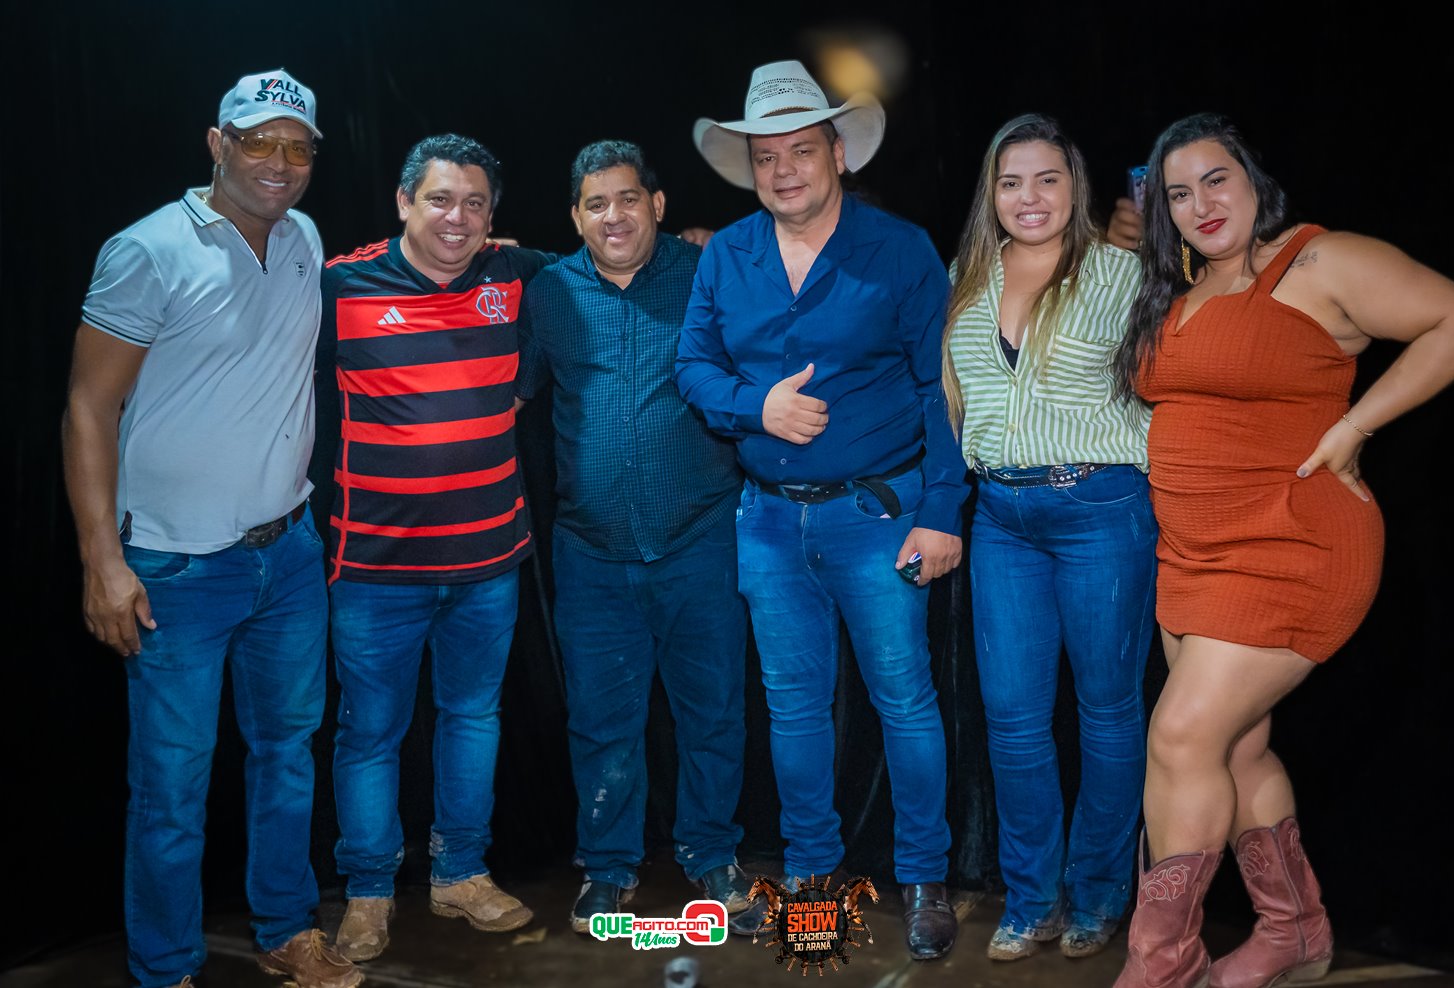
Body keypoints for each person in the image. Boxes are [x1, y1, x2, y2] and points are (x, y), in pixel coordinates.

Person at [1110, 113, 1454, 988]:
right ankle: (1297, 933)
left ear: (1252, 179)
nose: (1201, 203)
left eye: (1215, 179)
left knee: (1179, 738)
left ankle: (1162, 963)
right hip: (1194, 554)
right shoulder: (1178, 287)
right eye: (1178, 192)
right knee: (1235, 751)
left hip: (1294, 546)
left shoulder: (1318, 262)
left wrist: (1355, 428)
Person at [61, 71, 362, 988]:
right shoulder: (148, 250)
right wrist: (102, 562)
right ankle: (164, 970)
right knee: (170, 793)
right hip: (176, 569)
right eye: (258, 141)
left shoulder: (305, 238)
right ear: (217, 143)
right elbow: (86, 408)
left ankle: (285, 929)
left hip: (288, 553)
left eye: (297, 146)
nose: (279, 162)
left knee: (286, 758)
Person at [676, 60, 970, 961]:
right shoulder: (727, 254)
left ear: (837, 153)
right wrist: (752, 408)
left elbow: (941, 389)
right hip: (766, 521)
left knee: (904, 703)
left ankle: (923, 877)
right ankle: (811, 875)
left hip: (878, 517)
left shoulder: (900, 249)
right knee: (794, 708)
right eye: (768, 156)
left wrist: (943, 511)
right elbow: (694, 368)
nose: (784, 170)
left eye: (802, 150)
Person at [513, 139, 767, 936]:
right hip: (590, 552)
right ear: (576, 219)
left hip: (700, 540)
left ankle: (712, 857)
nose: (613, 216)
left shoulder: (705, 276)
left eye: (628, 199)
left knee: (715, 711)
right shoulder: (548, 291)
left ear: (657, 206)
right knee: (602, 720)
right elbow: (511, 391)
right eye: (596, 204)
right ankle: (609, 867)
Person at [316, 134, 551, 962]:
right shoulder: (339, 286)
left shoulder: (515, 278)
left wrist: (688, 240)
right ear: (404, 201)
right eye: (441, 199)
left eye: (476, 204)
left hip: (489, 562)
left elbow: (608, 255)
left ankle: (460, 874)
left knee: (472, 718)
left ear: (494, 216)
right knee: (370, 733)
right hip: (375, 570)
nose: (458, 218)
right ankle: (370, 892)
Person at [942, 114, 1155, 963]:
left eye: (1047, 180)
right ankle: (1033, 897)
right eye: (1010, 181)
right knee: (1014, 721)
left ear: (1076, 188)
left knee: (1108, 713)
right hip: (1001, 519)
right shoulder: (967, 275)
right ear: (991, 193)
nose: (1029, 198)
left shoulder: (1127, 272)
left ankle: (1100, 894)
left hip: (1101, 508)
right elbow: (953, 402)